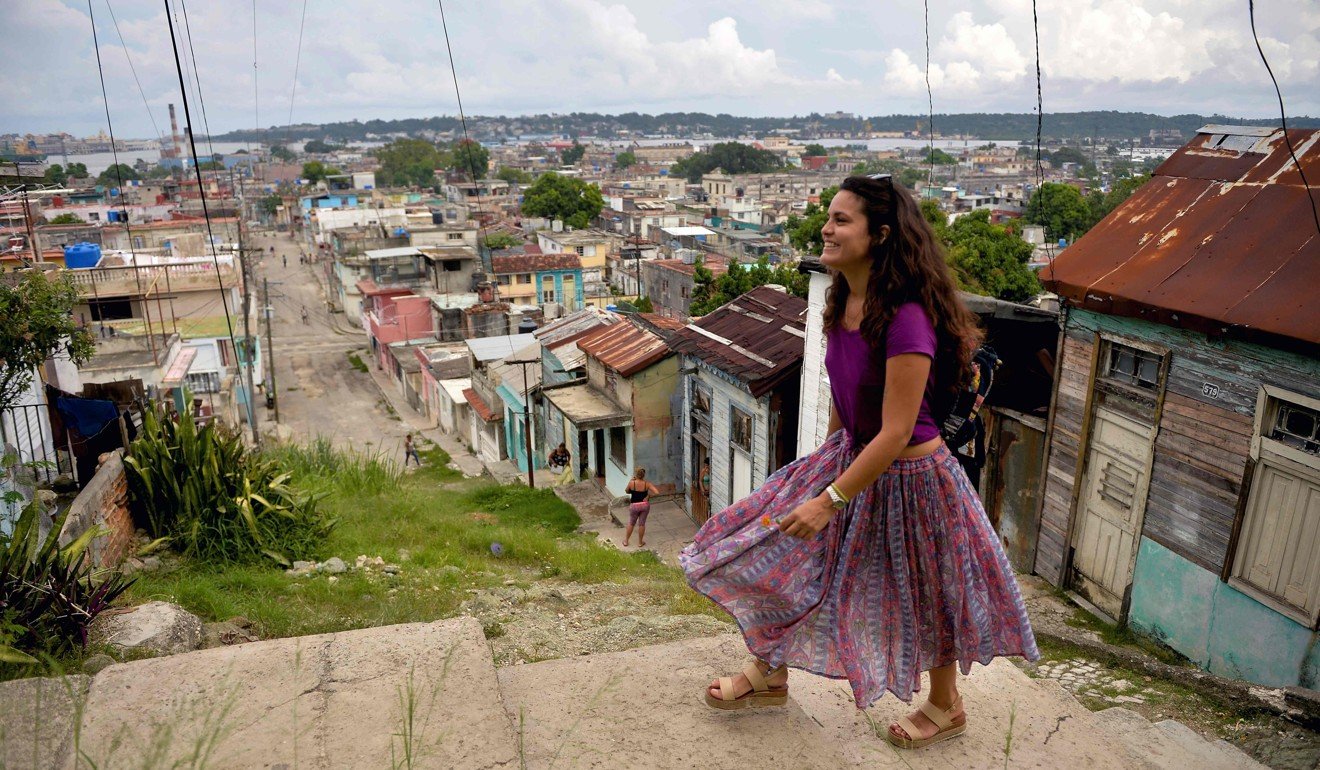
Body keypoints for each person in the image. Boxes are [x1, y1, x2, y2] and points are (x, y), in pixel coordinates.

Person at [680, 174, 1037, 749]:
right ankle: (769, 672)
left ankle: (946, 705)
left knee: (930, 592)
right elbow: (850, 399)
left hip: (916, 479)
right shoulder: (842, 299)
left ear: (882, 236)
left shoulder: (907, 319)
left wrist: (830, 499)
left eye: (842, 219)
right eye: (828, 215)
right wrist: (825, 463)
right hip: (852, 460)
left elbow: (896, 431)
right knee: (781, 554)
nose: (826, 227)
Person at [622, 467, 659, 547]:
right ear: (643, 475)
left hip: (634, 506)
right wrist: (648, 496)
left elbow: (626, 491)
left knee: (631, 523)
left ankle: (626, 541)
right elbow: (657, 492)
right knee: (642, 524)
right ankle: (640, 542)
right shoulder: (647, 484)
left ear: (636, 474)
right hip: (644, 505)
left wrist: (631, 481)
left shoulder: (632, 483)